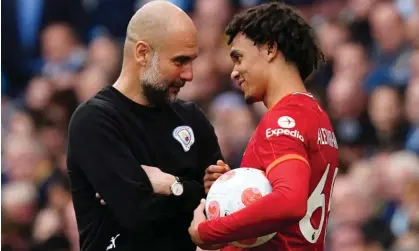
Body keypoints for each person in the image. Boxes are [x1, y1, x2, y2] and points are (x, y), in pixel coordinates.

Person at [66, 1, 226, 251]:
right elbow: (137, 213)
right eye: (180, 61)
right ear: (142, 53)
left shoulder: (192, 119)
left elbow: (221, 205)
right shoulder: (94, 120)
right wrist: (186, 188)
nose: (189, 74)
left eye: (192, 61)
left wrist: (168, 185)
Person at [189, 2, 339, 251]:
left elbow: (289, 201)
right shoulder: (315, 116)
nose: (234, 73)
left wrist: (208, 232)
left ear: (270, 48)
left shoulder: (282, 120)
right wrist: (231, 189)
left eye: (239, 57)